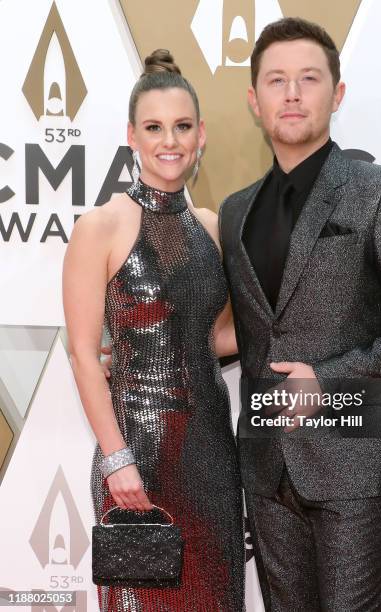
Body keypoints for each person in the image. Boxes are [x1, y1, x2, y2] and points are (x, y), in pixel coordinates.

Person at [218, 17, 381, 612]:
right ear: (255, 99)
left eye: (308, 78)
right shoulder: (235, 211)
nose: (292, 93)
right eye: (276, 80)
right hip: (267, 462)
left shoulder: (380, 190)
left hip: (354, 461)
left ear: (338, 93)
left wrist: (329, 380)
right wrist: (152, 346)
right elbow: (247, 333)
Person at [63, 50, 244, 612]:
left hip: (212, 455)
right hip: (136, 454)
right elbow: (85, 356)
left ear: (201, 135)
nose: (171, 141)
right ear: (132, 136)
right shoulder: (101, 226)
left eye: (183, 126)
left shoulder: (213, 228)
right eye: (155, 127)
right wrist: (117, 458)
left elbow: (207, 340)